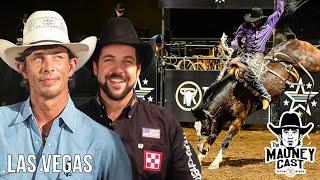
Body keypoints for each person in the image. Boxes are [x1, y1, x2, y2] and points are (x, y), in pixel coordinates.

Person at [0, 10, 131, 179]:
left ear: (71, 67)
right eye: (38, 57)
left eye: (57, 57)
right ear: (23, 68)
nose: (48, 67)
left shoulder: (105, 144)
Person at [79, 17, 201, 180]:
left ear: (137, 70)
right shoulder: (73, 124)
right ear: (96, 67)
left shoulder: (165, 123)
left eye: (127, 61)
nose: (118, 70)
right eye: (109, 60)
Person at [229, 0, 285, 110]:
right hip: (245, 55)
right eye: (252, 21)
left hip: (257, 57)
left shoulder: (268, 23)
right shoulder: (245, 26)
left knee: (250, 73)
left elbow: (279, 11)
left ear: (260, 19)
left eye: (255, 21)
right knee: (230, 65)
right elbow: (236, 40)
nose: (253, 23)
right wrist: (233, 47)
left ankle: (265, 96)